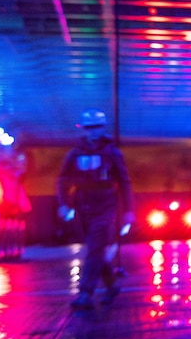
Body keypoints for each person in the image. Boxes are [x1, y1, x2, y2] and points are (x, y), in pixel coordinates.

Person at [57, 109, 134, 310]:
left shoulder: (112, 153)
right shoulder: (75, 154)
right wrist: (64, 203)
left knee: (94, 248)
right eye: (89, 127)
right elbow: (63, 180)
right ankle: (111, 285)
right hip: (83, 206)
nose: (93, 131)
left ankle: (86, 293)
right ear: (83, 128)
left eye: (97, 127)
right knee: (96, 250)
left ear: (103, 127)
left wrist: (128, 210)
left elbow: (124, 182)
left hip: (106, 206)